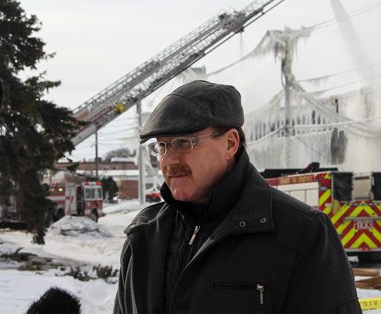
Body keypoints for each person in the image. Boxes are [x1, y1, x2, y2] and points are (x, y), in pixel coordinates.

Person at [114, 80, 361, 313]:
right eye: (162, 146)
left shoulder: (302, 233)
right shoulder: (144, 234)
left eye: (183, 142)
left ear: (230, 143)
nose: (169, 160)